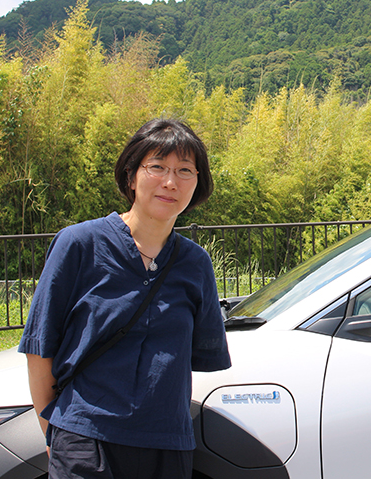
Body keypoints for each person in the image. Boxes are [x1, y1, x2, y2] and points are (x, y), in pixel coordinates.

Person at [19, 118, 231, 479]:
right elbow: (41, 348)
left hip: (167, 446)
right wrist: (53, 434)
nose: (170, 182)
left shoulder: (195, 264)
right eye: (157, 167)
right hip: (86, 440)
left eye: (184, 170)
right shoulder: (79, 245)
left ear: (197, 184)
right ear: (132, 176)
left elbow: (193, 358)